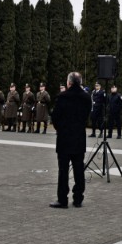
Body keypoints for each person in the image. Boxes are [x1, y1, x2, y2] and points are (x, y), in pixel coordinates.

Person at [49, 71, 92, 208]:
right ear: (80, 82)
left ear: (69, 82)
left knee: (63, 170)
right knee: (79, 169)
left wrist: (60, 128)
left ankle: (62, 199)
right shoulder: (86, 98)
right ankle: (78, 198)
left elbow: (55, 117)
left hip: (64, 138)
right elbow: (86, 116)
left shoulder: (62, 97)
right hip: (79, 137)